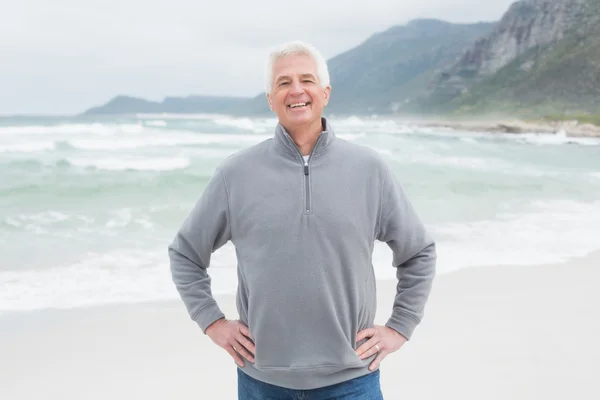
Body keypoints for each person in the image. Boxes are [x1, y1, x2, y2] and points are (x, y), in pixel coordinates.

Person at [168, 40, 437, 399]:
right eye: (283, 82)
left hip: (353, 379)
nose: (296, 90)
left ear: (325, 93)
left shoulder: (370, 170)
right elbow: (185, 254)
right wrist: (212, 321)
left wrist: (400, 326)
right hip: (262, 381)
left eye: (306, 80)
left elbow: (418, 252)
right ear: (270, 99)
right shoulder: (235, 174)